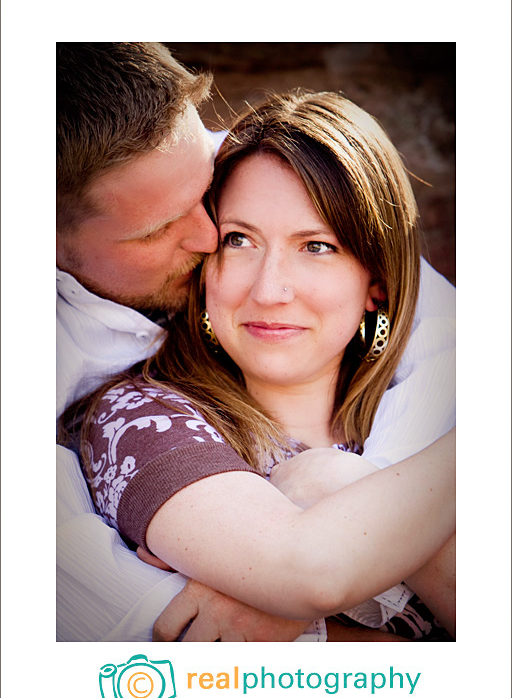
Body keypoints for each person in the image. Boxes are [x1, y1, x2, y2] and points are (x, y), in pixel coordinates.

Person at [60, 87, 456, 640]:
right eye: (239, 239)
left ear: (377, 283)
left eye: (316, 246)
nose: (269, 290)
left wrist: (337, 480)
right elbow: (306, 576)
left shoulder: (436, 414)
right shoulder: (139, 418)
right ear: (206, 262)